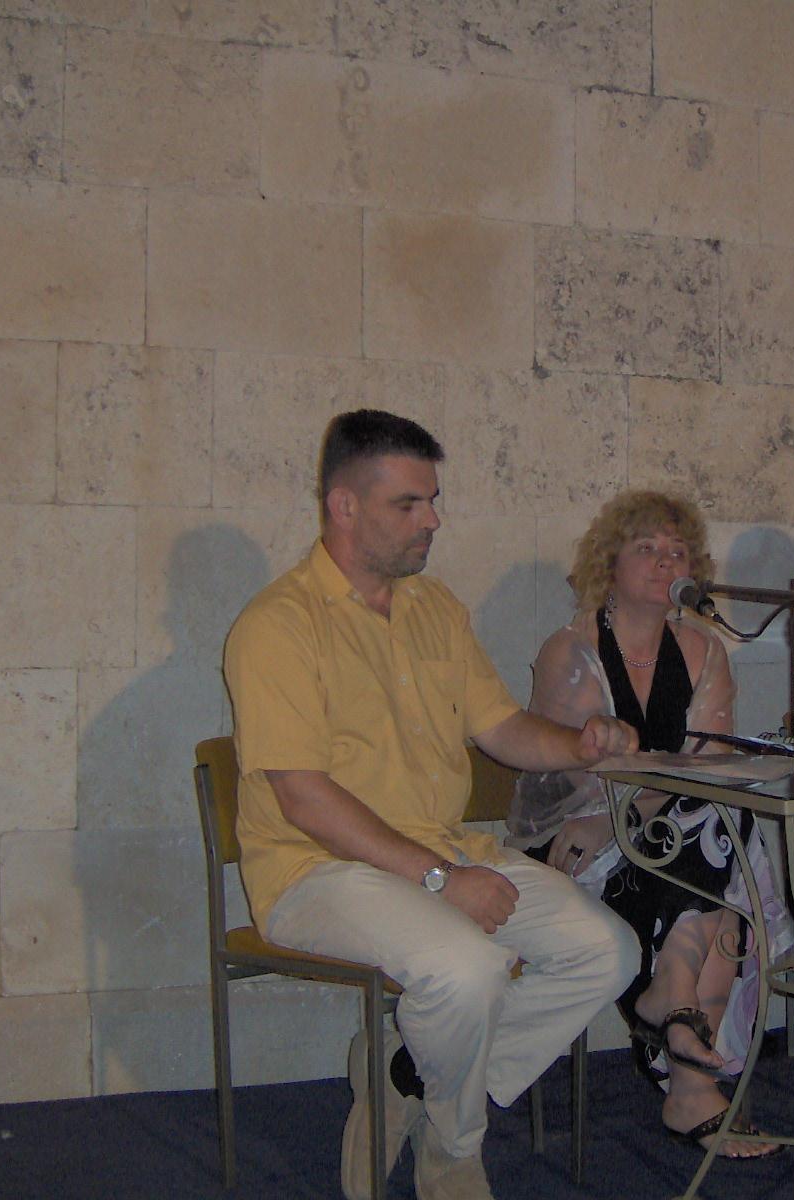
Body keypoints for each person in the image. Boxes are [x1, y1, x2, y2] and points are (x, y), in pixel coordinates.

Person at [223, 410, 640, 1200]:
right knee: (467, 969)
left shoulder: (434, 608)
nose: (433, 520)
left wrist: (579, 744)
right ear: (344, 506)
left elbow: (501, 727)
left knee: (608, 951)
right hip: (315, 871)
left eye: (433, 500)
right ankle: (454, 1149)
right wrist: (444, 880)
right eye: (409, 504)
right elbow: (305, 799)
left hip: (436, 849)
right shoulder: (276, 625)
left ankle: (407, 1075)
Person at [510, 491, 789, 1160]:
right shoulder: (571, 649)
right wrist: (626, 818)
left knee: (718, 825)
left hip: (671, 831)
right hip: (577, 835)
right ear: (610, 562)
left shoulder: (704, 650)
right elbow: (573, 777)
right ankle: (691, 1081)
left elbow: (710, 767)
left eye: (678, 551)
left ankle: (676, 1006)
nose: (666, 561)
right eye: (647, 548)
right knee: (715, 856)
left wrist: (644, 808)